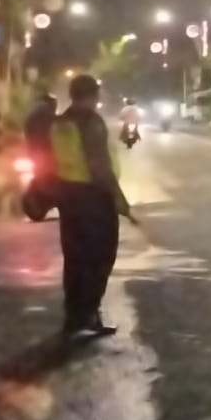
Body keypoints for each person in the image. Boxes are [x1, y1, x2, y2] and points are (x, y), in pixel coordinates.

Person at [50, 74, 132, 337]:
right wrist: (118, 198)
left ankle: (74, 316)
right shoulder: (91, 122)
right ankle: (89, 313)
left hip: (68, 197)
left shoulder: (61, 122)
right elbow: (99, 165)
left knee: (75, 259)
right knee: (100, 258)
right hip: (93, 198)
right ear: (93, 95)